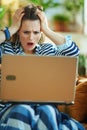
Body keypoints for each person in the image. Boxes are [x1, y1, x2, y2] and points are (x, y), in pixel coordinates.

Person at [0, 4, 85, 130]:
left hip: (44, 106)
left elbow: (73, 53)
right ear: (18, 31)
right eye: (26, 32)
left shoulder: (48, 49)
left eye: (36, 32)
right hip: (11, 108)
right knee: (23, 110)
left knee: (47, 110)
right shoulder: (6, 49)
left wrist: (46, 29)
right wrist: (11, 29)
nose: (31, 37)